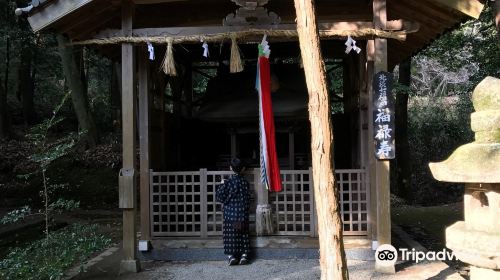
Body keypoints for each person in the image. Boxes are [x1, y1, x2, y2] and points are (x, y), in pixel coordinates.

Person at [215, 158, 251, 265]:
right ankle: (244, 255)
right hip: (242, 213)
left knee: (230, 235)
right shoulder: (245, 183)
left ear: (231, 168)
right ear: (243, 169)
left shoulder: (228, 182)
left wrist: (221, 184)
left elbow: (220, 197)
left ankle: (231, 257)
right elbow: (248, 198)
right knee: (243, 234)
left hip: (230, 214)